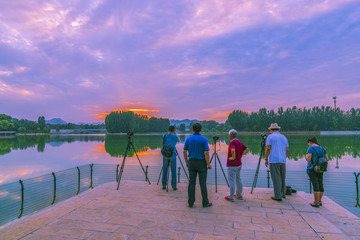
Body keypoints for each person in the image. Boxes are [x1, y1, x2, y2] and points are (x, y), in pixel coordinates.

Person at [183, 123, 212, 208]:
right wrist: (208, 164)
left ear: (192, 130)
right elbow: (206, 152)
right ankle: (205, 202)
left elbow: (184, 151)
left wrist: (186, 161)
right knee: (202, 183)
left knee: (191, 183)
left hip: (192, 162)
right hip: (201, 163)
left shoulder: (188, 139)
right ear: (201, 130)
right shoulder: (204, 139)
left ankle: (191, 202)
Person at [264, 123, 289, 201]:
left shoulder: (270, 137)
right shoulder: (284, 137)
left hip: (274, 160)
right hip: (282, 160)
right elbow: (287, 149)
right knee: (282, 178)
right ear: (278, 129)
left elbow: (268, 148)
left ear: (271, 130)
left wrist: (266, 159)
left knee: (276, 178)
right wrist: (284, 158)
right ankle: (283, 194)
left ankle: (278, 196)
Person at [225, 129, 248, 202]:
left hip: (232, 165)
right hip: (238, 164)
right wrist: (240, 155)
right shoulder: (239, 142)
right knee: (238, 180)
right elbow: (246, 149)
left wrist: (233, 157)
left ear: (230, 135)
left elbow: (232, 150)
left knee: (232, 181)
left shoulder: (232, 142)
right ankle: (239, 195)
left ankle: (231, 196)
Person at [305, 137, 329, 207]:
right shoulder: (322, 148)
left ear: (309, 142)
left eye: (308, 144)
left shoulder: (310, 148)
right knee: (320, 183)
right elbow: (327, 159)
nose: (308, 145)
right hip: (320, 168)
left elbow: (309, 159)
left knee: (315, 184)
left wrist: (306, 157)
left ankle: (315, 202)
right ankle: (320, 201)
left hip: (312, 168)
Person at [162, 125, 180, 190]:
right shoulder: (174, 136)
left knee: (165, 169)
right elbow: (178, 140)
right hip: (172, 154)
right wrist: (175, 134)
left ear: (168, 129)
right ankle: (174, 185)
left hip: (165, 154)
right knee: (173, 170)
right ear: (174, 130)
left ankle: (164, 185)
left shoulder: (164, 136)